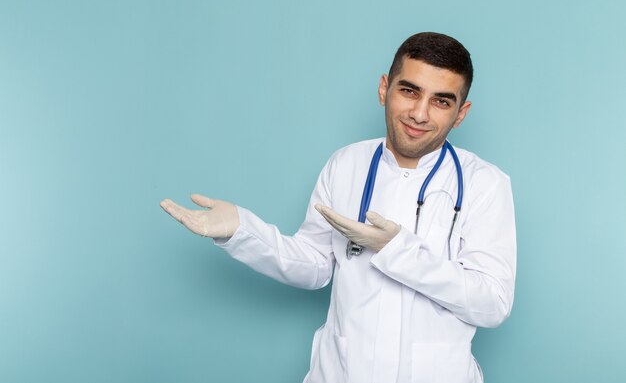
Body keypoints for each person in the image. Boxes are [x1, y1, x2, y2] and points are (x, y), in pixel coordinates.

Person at [160, 32, 516, 383]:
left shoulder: (485, 184)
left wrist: (398, 250)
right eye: (409, 91)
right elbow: (315, 265)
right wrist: (242, 231)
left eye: (441, 101)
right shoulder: (345, 164)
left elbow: (492, 303)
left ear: (460, 113)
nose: (419, 113)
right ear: (383, 89)